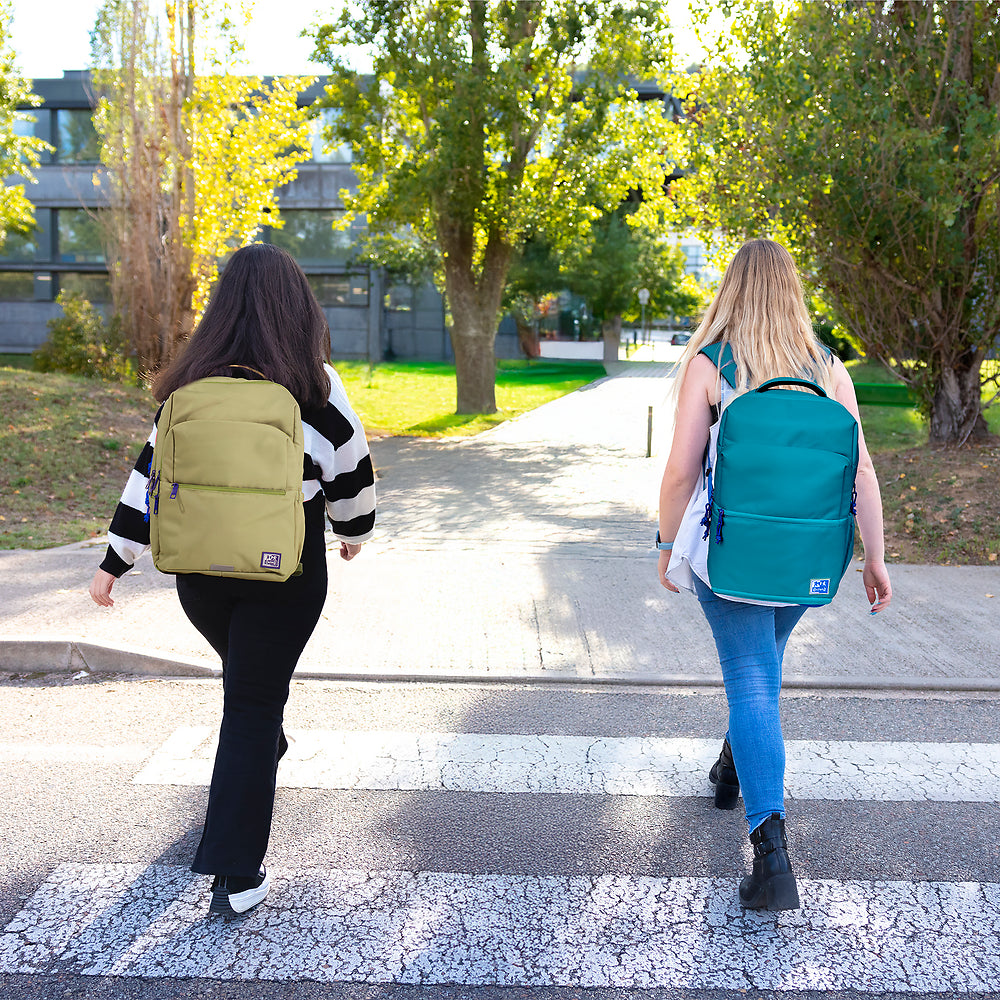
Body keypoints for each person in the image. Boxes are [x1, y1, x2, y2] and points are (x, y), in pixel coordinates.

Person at [89, 242, 376, 917]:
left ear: (221, 309)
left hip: (199, 576)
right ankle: (236, 873)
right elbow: (353, 473)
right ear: (298, 308)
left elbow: (147, 480)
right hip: (286, 571)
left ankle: (261, 743)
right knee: (250, 703)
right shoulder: (314, 386)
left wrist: (113, 563)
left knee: (249, 689)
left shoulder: (188, 388)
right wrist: (353, 535)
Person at [656, 239, 891, 911]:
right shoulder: (829, 370)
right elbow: (862, 472)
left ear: (731, 289)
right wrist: (873, 557)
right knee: (761, 666)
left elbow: (679, 471)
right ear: (793, 290)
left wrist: (666, 544)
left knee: (753, 679)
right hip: (808, 559)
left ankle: (771, 854)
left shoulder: (712, 364)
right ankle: (734, 765)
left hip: (729, 557)